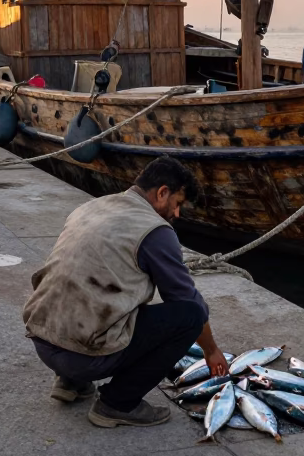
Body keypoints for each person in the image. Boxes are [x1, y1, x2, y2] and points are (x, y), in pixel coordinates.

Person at [23, 157, 226, 428]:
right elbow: (186, 301)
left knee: (110, 296)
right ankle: (117, 404)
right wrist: (211, 351)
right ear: (162, 192)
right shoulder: (155, 231)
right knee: (190, 316)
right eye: (177, 204)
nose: (176, 214)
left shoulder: (91, 207)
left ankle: (71, 381)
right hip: (84, 355)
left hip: (44, 340)